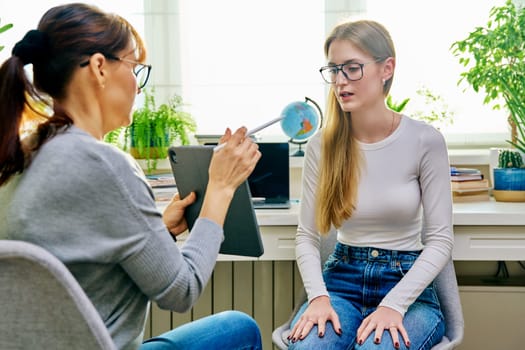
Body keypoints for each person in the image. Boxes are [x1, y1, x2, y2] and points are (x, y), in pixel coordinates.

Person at [0, 3, 262, 350]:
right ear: (98, 68)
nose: (138, 88)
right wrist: (221, 187)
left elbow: (79, 253)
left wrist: (160, 230)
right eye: (135, 68)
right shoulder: (104, 164)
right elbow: (182, 290)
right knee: (239, 328)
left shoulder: (24, 152)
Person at [288, 19, 453, 350]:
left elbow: (440, 241)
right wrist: (318, 297)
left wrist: (394, 304)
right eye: (334, 70)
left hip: (407, 286)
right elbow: (306, 237)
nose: (340, 81)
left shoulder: (425, 140)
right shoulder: (322, 144)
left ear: (386, 69)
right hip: (340, 284)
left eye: (352, 68)